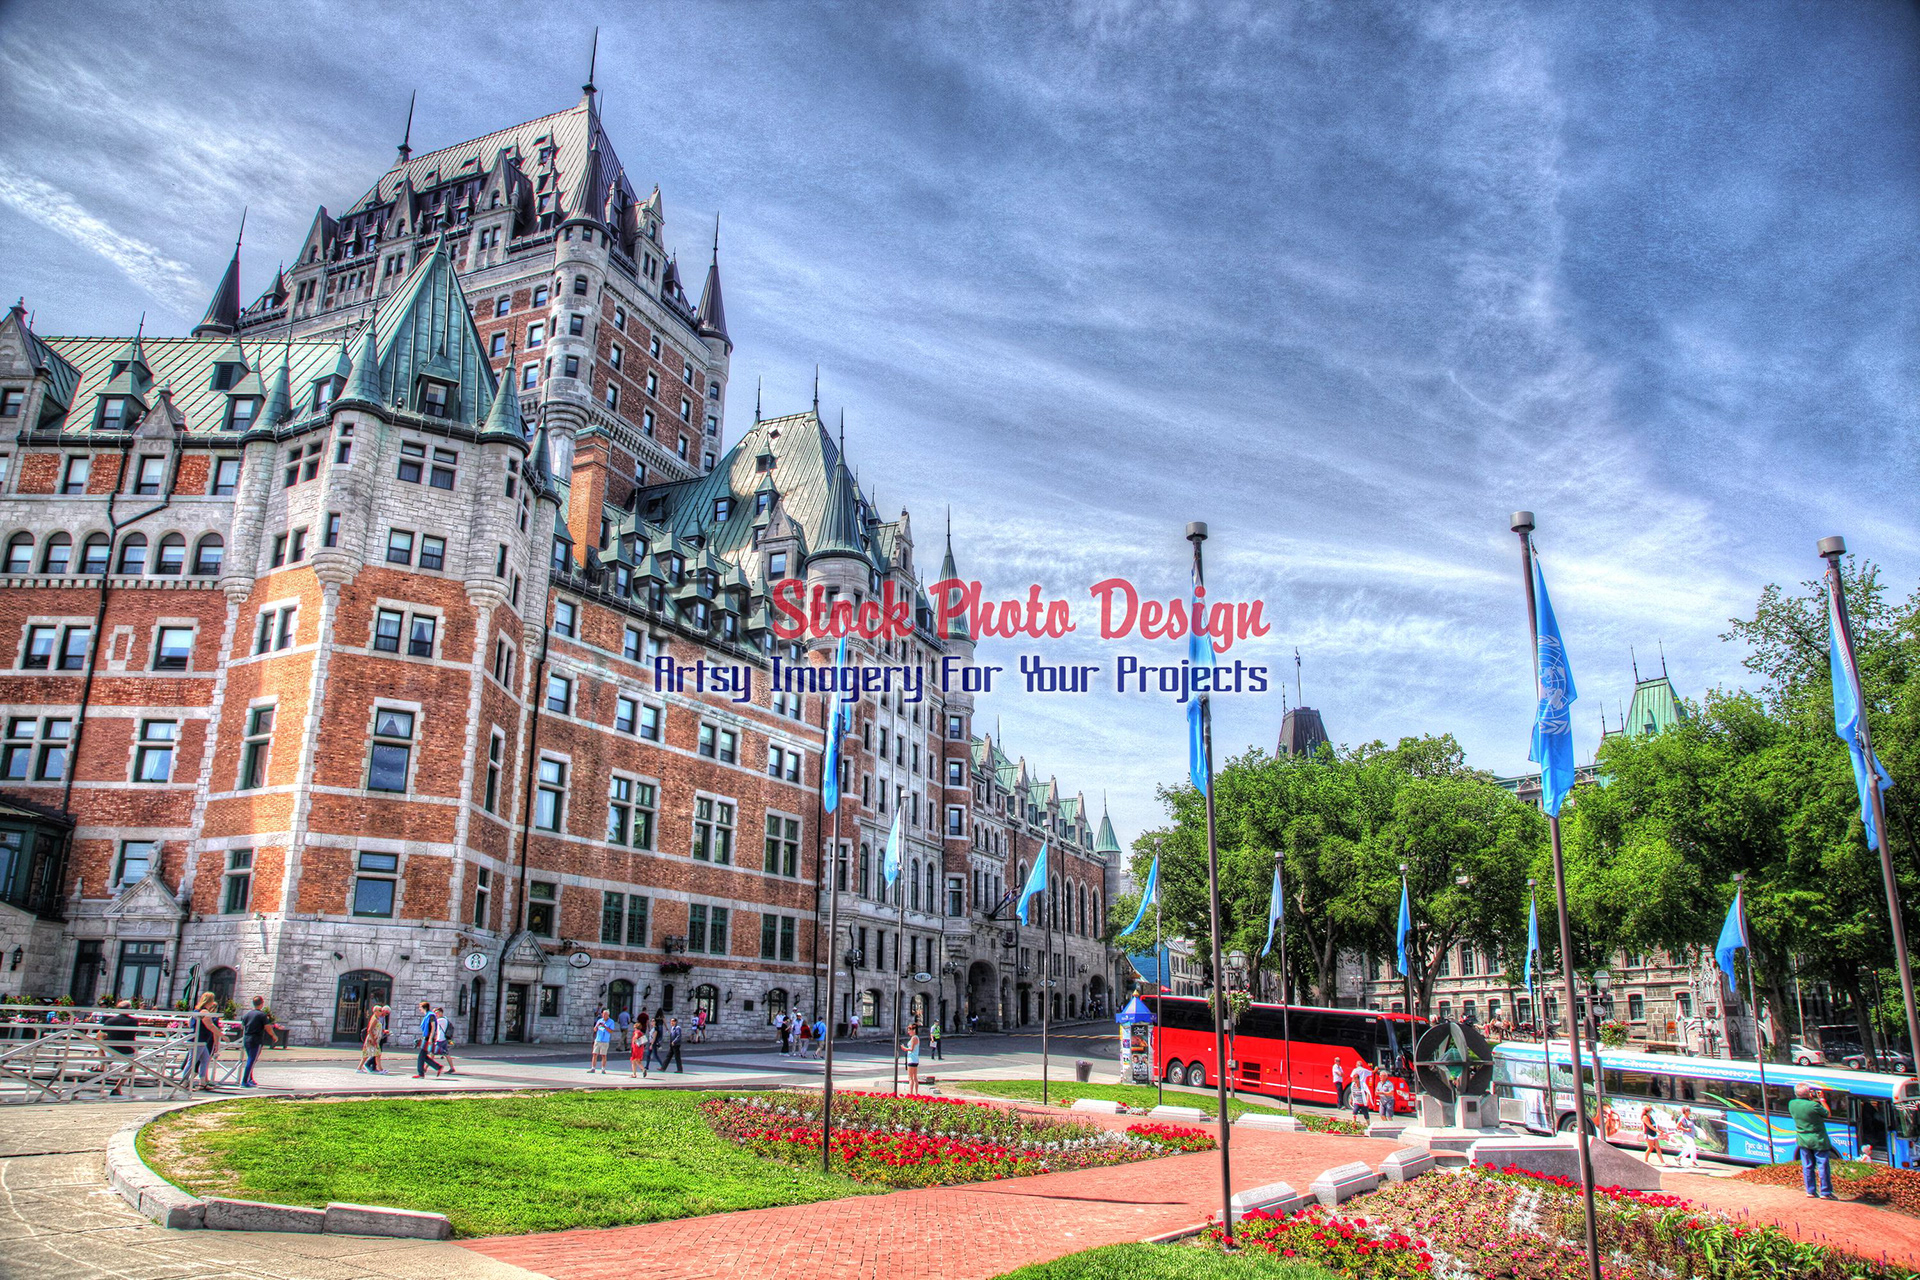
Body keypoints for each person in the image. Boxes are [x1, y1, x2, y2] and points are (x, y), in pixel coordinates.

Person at [1791, 1081, 1839, 1199]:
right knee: (1822, 1166)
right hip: (1818, 1140)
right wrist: (1822, 1100)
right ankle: (1825, 1192)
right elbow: (1827, 1114)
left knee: (1807, 1166)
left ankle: (1810, 1191)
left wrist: (1809, 1098)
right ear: (1808, 1094)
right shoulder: (1814, 1105)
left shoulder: (1791, 1104)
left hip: (1803, 1140)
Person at [102, 999, 139, 1095]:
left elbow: (100, 1035)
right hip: (126, 1051)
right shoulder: (134, 1021)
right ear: (129, 1009)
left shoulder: (110, 1020)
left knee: (100, 1044)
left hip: (110, 1050)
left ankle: (101, 1064)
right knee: (132, 1065)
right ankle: (118, 1087)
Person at [239, 996, 275, 1088]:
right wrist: (273, 1036)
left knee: (251, 1059)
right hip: (256, 1039)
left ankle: (250, 1078)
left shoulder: (247, 1015)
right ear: (262, 1003)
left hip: (247, 1038)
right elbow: (268, 1027)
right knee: (252, 1059)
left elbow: (242, 1026)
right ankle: (245, 1080)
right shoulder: (262, 1015)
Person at [191, 992, 223, 1087]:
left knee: (205, 1060)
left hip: (202, 1040)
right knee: (192, 1062)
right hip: (199, 1040)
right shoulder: (204, 1012)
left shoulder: (197, 1011)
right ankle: (185, 1082)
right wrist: (222, 1036)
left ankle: (203, 1082)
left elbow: (190, 1024)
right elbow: (211, 1026)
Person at [414, 1001, 445, 1078]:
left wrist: (430, 1039)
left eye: (420, 1007)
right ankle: (438, 1067)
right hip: (426, 1037)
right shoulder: (427, 1015)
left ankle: (421, 1074)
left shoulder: (430, 1015)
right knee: (423, 1056)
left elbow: (433, 1027)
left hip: (428, 1038)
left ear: (424, 1007)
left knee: (421, 1056)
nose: (419, 1009)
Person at [359, 1005, 386, 1073]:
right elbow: (369, 1030)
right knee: (377, 1054)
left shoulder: (376, 1018)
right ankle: (380, 1069)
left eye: (382, 1010)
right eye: (380, 1010)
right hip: (372, 1039)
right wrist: (373, 1040)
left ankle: (359, 1068)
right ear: (375, 1011)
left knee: (368, 1054)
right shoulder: (374, 1019)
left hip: (374, 1039)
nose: (381, 1012)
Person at [432, 1005, 456, 1075]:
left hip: (441, 1040)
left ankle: (425, 1068)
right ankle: (452, 1068)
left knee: (432, 1053)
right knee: (446, 1054)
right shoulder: (445, 1019)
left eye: (437, 1013)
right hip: (443, 1039)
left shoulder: (441, 1020)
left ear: (440, 1013)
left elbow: (433, 1023)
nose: (436, 1014)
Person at [1674, 1105, 1700, 1169]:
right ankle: (1693, 1161)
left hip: (1691, 1135)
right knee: (1693, 1147)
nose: (1689, 1111)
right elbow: (1678, 1126)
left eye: (1689, 1110)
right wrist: (1686, 1129)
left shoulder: (1688, 1118)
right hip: (1686, 1135)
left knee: (1688, 1148)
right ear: (1684, 1111)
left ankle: (1678, 1158)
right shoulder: (1682, 1118)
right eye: (1687, 1110)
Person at [1350, 1059, 1375, 1124]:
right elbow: (1372, 1072)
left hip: (1363, 1102)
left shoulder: (1355, 1070)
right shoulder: (1364, 1070)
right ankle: (1353, 1125)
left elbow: (1368, 1093)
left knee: (1366, 1114)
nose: (1354, 1080)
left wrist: (1367, 1101)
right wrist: (1376, 1069)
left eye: (1355, 1079)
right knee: (1354, 1113)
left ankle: (1368, 1125)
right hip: (1357, 1102)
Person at [590, 1008, 614, 1072]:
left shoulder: (611, 1021)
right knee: (594, 1054)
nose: (603, 1015)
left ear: (608, 1015)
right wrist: (597, 1026)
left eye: (605, 1014)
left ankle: (603, 1069)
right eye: (603, 1014)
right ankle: (593, 1068)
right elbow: (595, 1030)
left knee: (603, 1055)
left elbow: (611, 1031)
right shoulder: (600, 1020)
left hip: (605, 1040)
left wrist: (605, 1026)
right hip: (598, 1039)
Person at [902, 1022, 922, 1093]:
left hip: (911, 1059)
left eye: (909, 1030)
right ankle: (916, 1093)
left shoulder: (914, 1038)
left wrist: (904, 1048)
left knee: (910, 1078)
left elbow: (911, 1049)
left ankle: (911, 1093)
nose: (908, 1032)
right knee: (915, 1077)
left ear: (913, 1030)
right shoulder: (916, 1038)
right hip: (915, 1059)